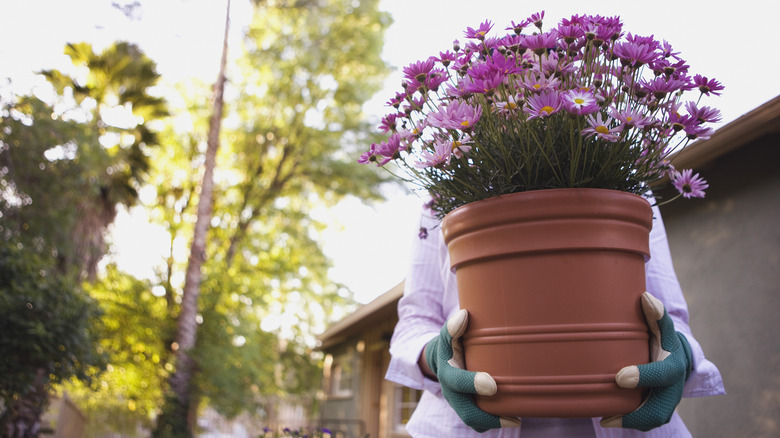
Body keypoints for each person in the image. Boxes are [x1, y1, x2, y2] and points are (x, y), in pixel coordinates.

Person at [385, 201, 725, 437]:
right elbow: (416, 319)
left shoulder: (632, 175)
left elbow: (668, 312)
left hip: (625, 421)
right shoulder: (443, 193)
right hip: (462, 427)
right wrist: (434, 356)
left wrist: (678, 349)